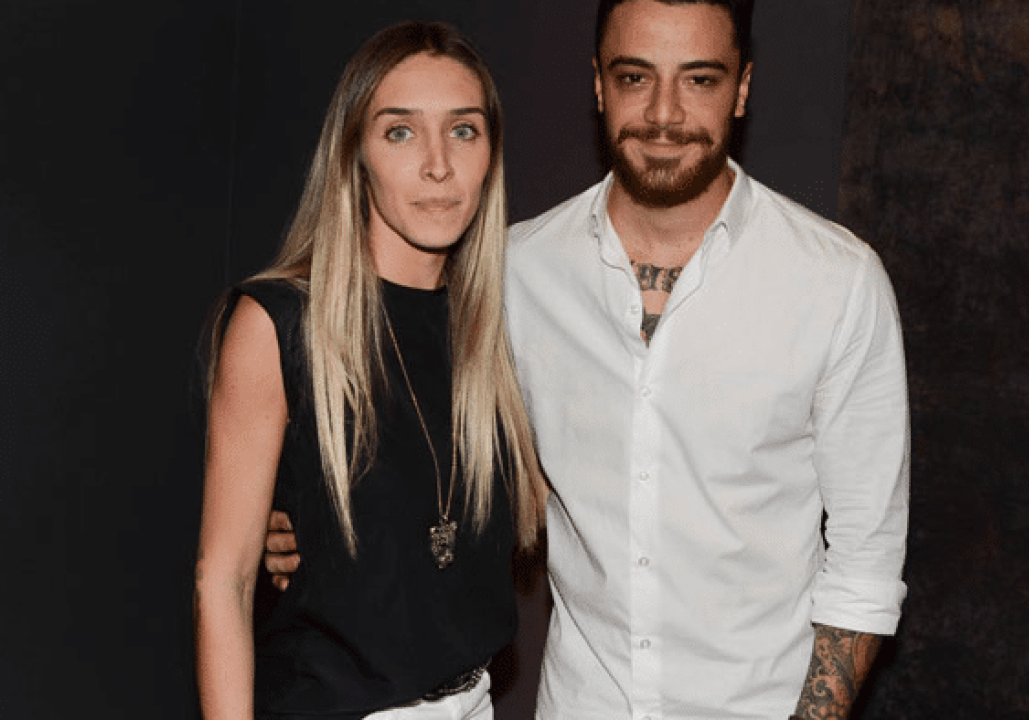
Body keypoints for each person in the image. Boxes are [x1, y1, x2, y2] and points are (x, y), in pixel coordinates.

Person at [267, 2, 909, 718]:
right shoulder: (514, 272)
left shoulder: (836, 283)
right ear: (599, 85)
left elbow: (865, 565)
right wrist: (305, 519)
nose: (663, 114)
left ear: (743, 88)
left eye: (699, 79)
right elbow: (437, 458)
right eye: (635, 77)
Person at [194, 21, 547, 720]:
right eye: (401, 132)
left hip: (474, 701)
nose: (438, 165)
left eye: (464, 131)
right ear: (354, 153)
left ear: (491, 154)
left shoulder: (496, 328)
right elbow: (222, 582)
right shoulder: (278, 324)